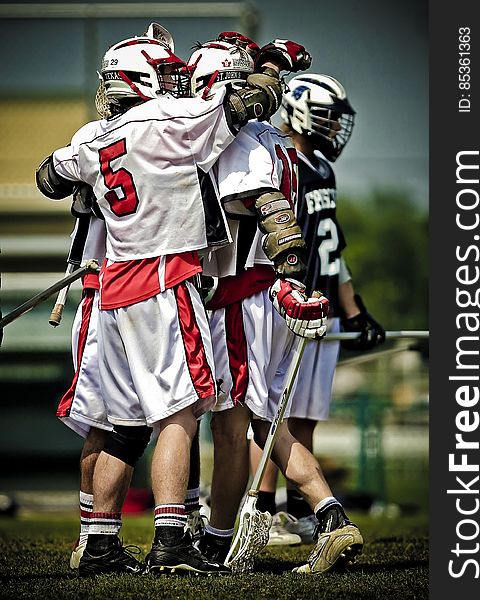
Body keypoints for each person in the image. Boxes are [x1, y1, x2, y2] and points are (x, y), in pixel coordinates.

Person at [36, 30, 304, 576]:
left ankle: (101, 544)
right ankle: (171, 541)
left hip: (111, 286)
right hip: (164, 278)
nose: (177, 83)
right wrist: (273, 68)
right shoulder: (168, 122)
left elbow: (47, 176)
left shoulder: (92, 137)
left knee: (119, 424)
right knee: (179, 416)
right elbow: (245, 103)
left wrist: (89, 187)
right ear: (144, 79)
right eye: (166, 73)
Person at [186, 38, 364, 575]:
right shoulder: (270, 136)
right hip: (260, 298)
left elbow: (269, 213)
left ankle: (218, 539)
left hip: (243, 299)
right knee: (264, 423)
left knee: (232, 424)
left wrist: (286, 278)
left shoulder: (243, 141)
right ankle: (331, 518)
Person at [249, 74, 386, 556]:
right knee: (272, 413)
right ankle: (262, 510)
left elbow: (334, 249)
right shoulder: (281, 163)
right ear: (299, 110)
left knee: (304, 414)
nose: (333, 126)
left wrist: (355, 309)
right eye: (326, 115)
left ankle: (298, 510)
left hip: (322, 303)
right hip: (289, 300)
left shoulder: (322, 168)